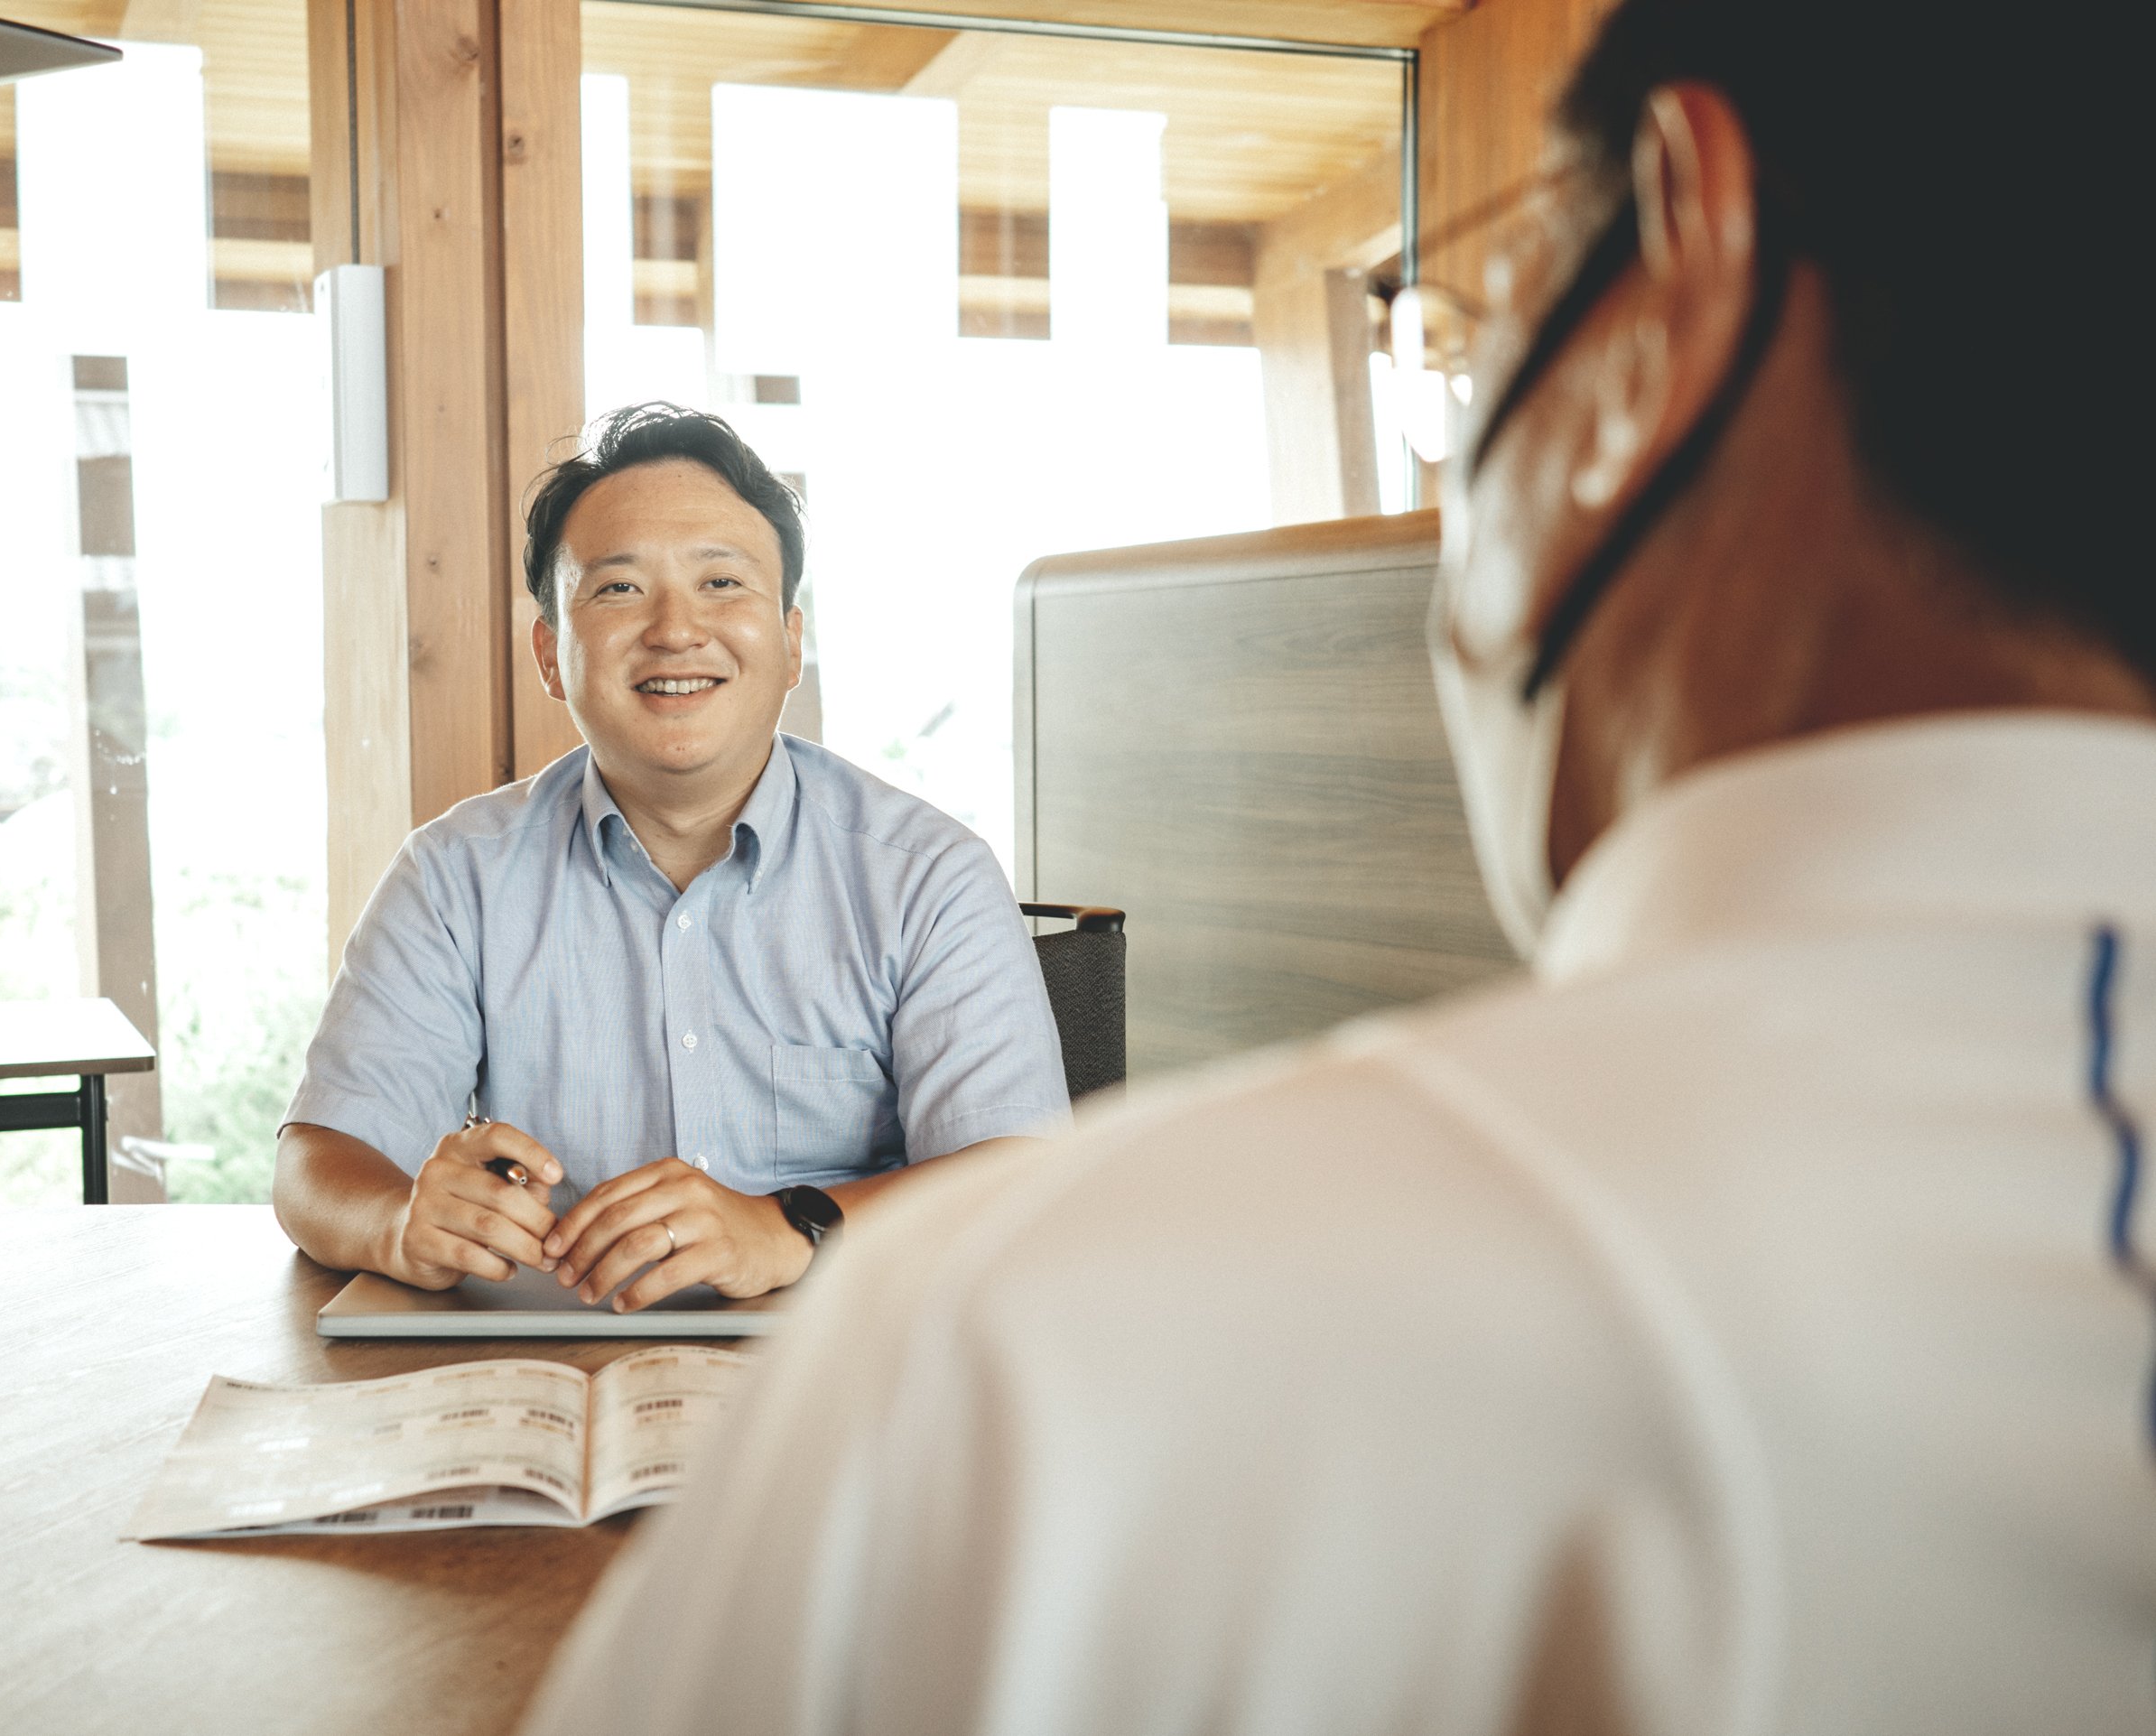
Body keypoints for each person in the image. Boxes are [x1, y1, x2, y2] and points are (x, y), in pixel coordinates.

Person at [521, 0, 2156, 1727]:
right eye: (619, 588)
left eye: (1464, 339)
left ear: (1678, 292)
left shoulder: (1032, 1357)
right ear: (556, 645)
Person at [274, 404, 1067, 1314]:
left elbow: (1021, 1182)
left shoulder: (927, 876)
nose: (674, 630)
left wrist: (789, 1226)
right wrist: (398, 1221)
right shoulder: (454, 877)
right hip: (542, 1376)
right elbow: (314, 1164)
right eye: (617, 590)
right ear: (549, 651)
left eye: (722, 583)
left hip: (841, 1380)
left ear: (791, 642)